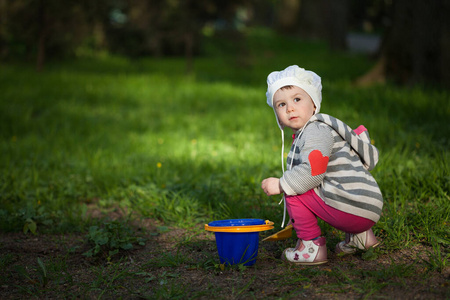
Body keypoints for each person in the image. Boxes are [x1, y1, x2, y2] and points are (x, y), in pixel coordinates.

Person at [261, 65, 383, 265]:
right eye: (281, 104)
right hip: (366, 205)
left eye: (297, 99)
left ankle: (311, 247)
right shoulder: (320, 128)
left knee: (294, 189)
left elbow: (312, 173)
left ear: (314, 104)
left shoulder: (315, 132)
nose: (290, 108)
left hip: (353, 207)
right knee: (318, 183)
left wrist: (281, 184)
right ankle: (361, 238)